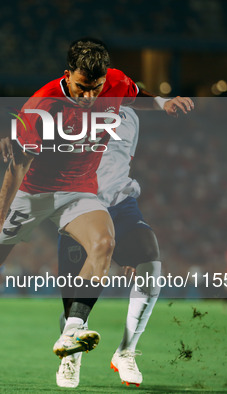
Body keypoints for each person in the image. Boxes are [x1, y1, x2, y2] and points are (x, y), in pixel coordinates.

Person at [0, 37, 193, 375]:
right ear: (67, 75)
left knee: (104, 243)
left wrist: (163, 102)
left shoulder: (115, 81)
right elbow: (17, 166)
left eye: (96, 88)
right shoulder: (43, 105)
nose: (89, 98)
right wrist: (0, 219)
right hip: (36, 192)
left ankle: (71, 332)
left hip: (79, 190)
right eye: (81, 88)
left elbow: (133, 96)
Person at [56, 107, 161, 388]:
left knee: (150, 258)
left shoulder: (130, 117)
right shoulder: (67, 110)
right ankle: (71, 354)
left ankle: (126, 351)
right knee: (73, 305)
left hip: (120, 204)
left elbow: (119, 163)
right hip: (78, 205)